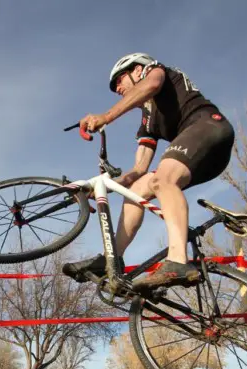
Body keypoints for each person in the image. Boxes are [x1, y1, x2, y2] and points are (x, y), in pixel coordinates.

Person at [63, 53, 235, 291]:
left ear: (137, 70)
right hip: (205, 158)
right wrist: (103, 187)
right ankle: (112, 258)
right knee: (138, 188)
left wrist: (107, 116)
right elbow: (138, 170)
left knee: (164, 177)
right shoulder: (147, 120)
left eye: (119, 80)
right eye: (114, 87)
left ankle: (177, 261)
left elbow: (151, 84)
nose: (117, 88)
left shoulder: (156, 72)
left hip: (209, 128)